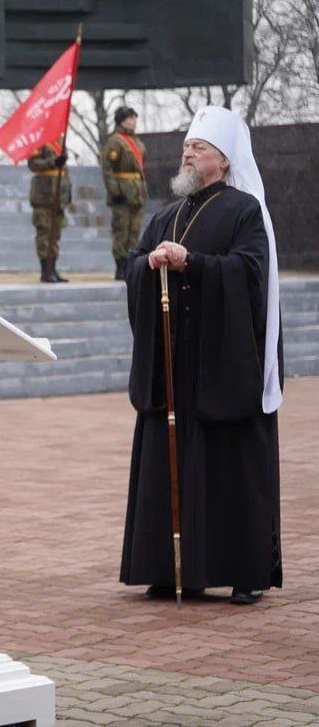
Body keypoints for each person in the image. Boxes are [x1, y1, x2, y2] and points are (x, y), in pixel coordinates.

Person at [121, 106, 283, 606]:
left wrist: (193, 263)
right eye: (187, 147)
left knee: (230, 468)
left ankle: (245, 572)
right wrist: (148, 265)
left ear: (225, 160)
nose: (188, 154)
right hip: (172, 366)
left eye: (199, 148)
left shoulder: (244, 211)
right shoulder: (166, 216)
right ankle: (172, 569)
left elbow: (249, 273)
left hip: (222, 365)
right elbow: (133, 265)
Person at [102, 105, 147, 280]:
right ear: (121, 121)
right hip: (122, 192)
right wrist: (115, 191)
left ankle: (131, 265)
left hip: (135, 192)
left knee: (134, 231)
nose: (133, 121)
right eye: (130, 118)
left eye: (134, 118)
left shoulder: (136, 141)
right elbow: (108, 169)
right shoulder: (115, 141)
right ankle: (120, 267)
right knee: (121, 230)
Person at [28, 145, 72, 283]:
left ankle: (52, 269)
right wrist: (52, 162)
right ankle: (45, 271)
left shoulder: (60, 142)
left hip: (58, 198)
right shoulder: (40, 141)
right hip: (43, 197)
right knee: (44, 235)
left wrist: (68, 191)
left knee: (55, 236)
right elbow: (33, 164)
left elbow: (64, 170)